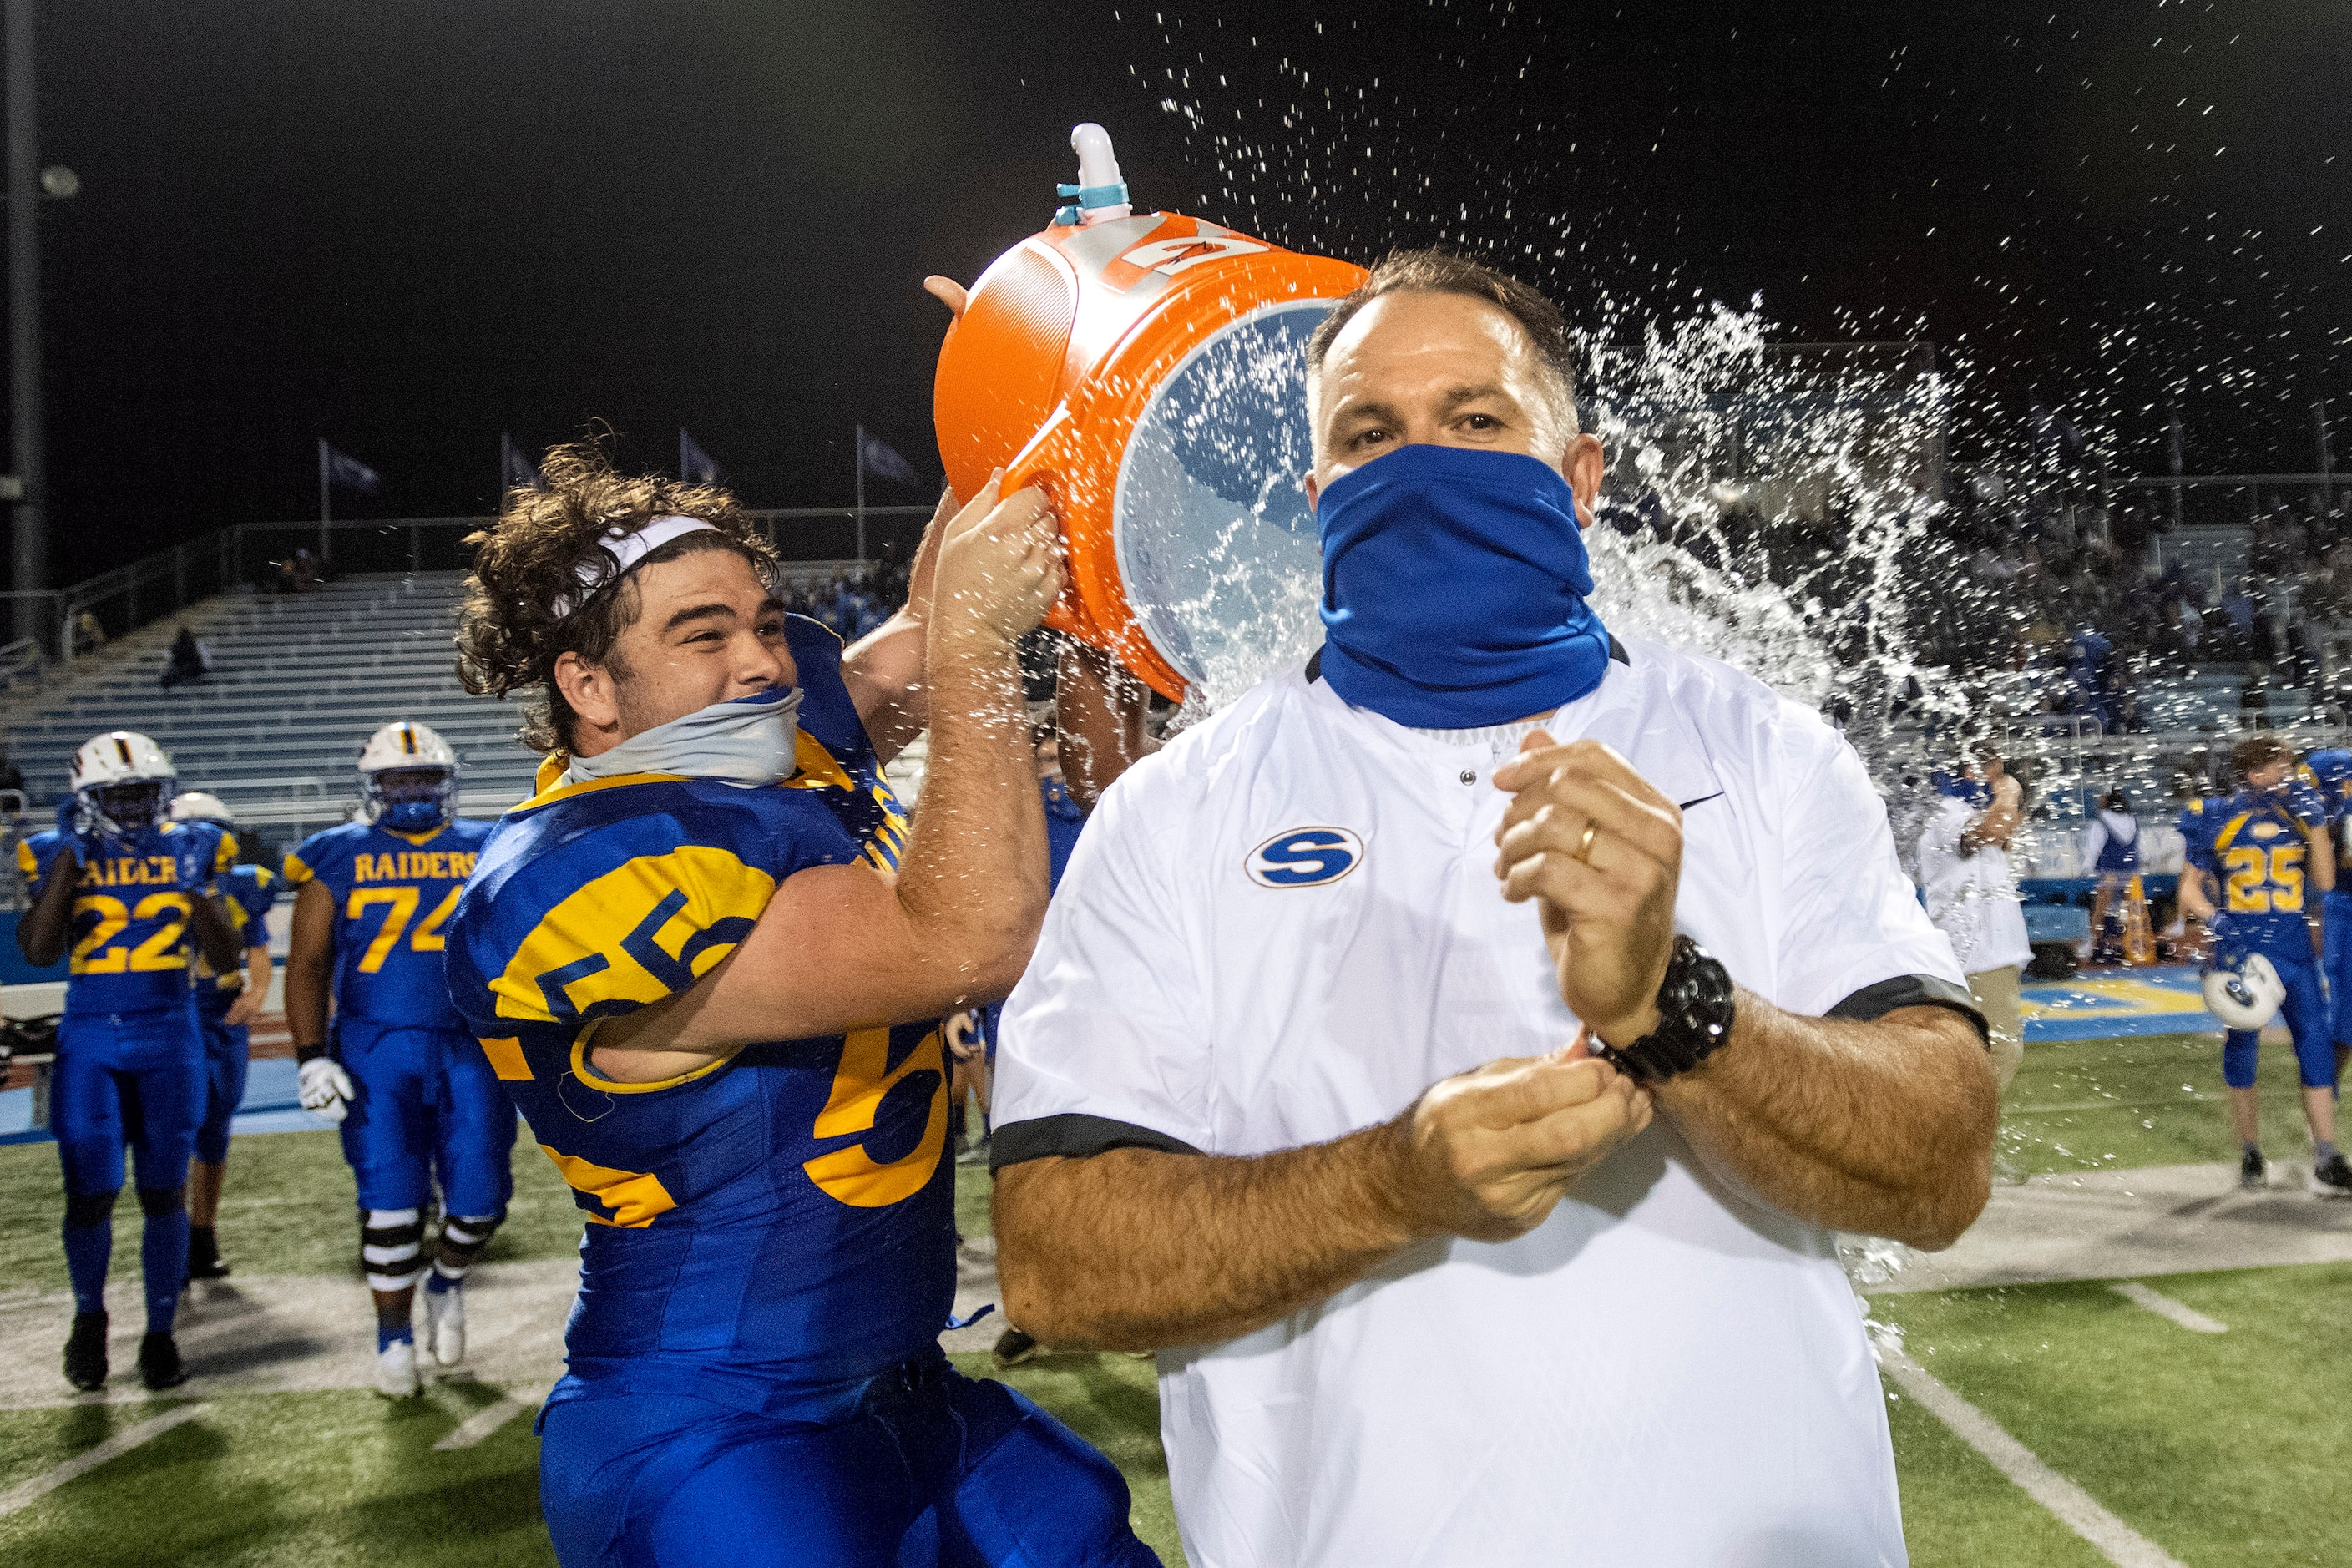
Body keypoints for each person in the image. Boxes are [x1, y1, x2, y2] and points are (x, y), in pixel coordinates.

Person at [986, 251, 1997, 1565]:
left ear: (1579, 475)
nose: (1422, 464)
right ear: (1318, 495)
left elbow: (1940, 1167)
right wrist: (1392, 1179)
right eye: (1370, 433)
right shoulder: (1174, 814)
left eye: (1476, 421)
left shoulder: (1765, 752)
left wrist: (1669, 1007)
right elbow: (1060, 1263)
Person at [442, 441, 1159, 1568]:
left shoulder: (776, 759)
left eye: (766, 623)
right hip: (713, 1434)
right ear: (588, 685)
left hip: (909, 1393)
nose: (761, 661)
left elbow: (925, 616)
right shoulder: (587, 867)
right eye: (702, 634)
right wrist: (980, 645)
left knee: (1081, 1528)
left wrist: (1022, 374)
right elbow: (963, 936)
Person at [281, 721, 512, 1396]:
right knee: (390, 1203)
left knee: (481, 1202)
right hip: (374, 1048)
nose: (410, 790)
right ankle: (393, 1340)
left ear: (447, 783)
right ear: (373, 787)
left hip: (471, 1043)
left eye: (424, 778)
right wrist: (308, 1055)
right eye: (396, 779)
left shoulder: (489, 843)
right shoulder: (337, 854)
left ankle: (446, 1281)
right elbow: (308, 963)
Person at [13, 732, 242, 1391]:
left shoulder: (195, 846)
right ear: (89, 799)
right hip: (91, 1039)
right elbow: (37, 949)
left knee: (163, 1192)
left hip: (171, 1035)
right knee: (90, 1191)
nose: (137, 806)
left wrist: (197, 892)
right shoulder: (56, 852)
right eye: (120, 795)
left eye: (144, 792)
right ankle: (89, 1320)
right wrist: (69, 867)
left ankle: (160, 1332)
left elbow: (225, 960)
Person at [2177, 736, 2346, 1194]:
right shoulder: (2216, 817)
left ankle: (2327, 1153)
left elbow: (2326, 882)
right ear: (2254, 774)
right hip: (2241, 949)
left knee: (2314, 1044)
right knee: (2242, 1044)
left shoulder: (2299, 816)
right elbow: (2188, 892)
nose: (2289, 775)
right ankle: (2251, 1148)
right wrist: (2217, 920)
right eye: (2280, 767)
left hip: (2293, 947)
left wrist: (2317, 827)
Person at [169, 790, 277, 1281]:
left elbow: (257, 947)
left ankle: (202, 1231)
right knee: (170, 1128)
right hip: (171, 1011)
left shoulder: (241, 886)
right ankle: (170, 1231)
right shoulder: (153, 884)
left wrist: (256, 995)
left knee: (216, 1126)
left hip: (220, 1011)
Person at [1917, 747, 2033, 1091]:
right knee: (1997, 1055)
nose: (1999, 772)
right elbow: (1987, 834)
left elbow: (2000, 839)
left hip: (1983, 953)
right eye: (1995, 763)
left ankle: (1951, 1137)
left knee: (1978, 1058)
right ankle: (1957, 1140)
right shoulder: (1945, 809)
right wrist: (2010, 791)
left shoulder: (1964, 808)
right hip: (1977, 956)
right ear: (1971, 767)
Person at [159, 625, 212, 690]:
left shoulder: (178, 645)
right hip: (189, 668)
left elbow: (168, 657)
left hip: (188, 668)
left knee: (174, 670)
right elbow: (204, 657)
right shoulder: (194, 644)